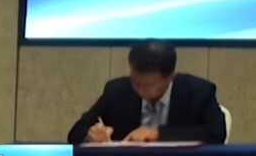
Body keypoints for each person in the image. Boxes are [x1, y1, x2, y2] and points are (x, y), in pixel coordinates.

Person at [68, 41, 227, 144]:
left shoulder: (198, 92)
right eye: (135, 82)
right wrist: (91, 135)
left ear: (170, 77)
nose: (139, 89)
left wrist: (158, 133)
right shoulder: (117, 90)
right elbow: (76, 132)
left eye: (148, 85)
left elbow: (217, 133)